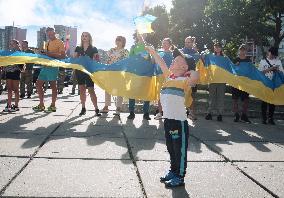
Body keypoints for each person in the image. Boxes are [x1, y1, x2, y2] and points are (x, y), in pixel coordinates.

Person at [146, 45, 199, 188]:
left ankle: (180, 177)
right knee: (171, 148)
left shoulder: (185, 80)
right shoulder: (170, 76)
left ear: (184, 66)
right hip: (168, 121)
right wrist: (153, 52)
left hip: (179, 123)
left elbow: (196, 77)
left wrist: (189, 68)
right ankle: (173, 171)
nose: (172, 62)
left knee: (179, 150)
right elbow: (161, 63)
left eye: (176, 60)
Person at [33, 27, 66, 112]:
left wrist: (48, 53)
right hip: (45, 66)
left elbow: (62, 56)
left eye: (51, 34)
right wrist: (42, 53)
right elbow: (46, 54)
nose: (50, 35)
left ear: (54, 33)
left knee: (53, 86)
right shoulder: (47, 43)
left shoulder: (60, 42)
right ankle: (41, 104)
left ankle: (53, 105)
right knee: (38, 84)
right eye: (48, 34)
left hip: (53, 66)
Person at [74, 32, 101, 116]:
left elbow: (97, 60)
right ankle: (83, 108)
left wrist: (95, 58)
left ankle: (96, 108)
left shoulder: (93, 48)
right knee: (81, 90)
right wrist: (78, 58)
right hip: (80, 71)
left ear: (89, 38)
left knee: (91, 90)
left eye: (86, 36)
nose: (84, 37)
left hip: (89, 71)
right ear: (81, 38)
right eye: (83, 36)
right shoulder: (78, 48)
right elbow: (74, 59)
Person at [101, 36, 129, 116]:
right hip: (110, 71)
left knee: (119, 89)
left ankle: (118, 107)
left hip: (120, 73)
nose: (118, 42)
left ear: (123, 42)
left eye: (120, 40)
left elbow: (126, 62)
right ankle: (106, 106)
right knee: (108, 88)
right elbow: (107, 60)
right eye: (117, 40)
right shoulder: (111, 50)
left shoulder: (125, 51)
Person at [127, 33, 151, 120]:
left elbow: (152, 60)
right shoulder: (133, 47)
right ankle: (131, 112)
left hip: (146, 73)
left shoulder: (149, 46)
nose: (141, 36)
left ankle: (146, 113)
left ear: (146, 35)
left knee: (146, 93)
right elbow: (130, 60)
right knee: (132, 92)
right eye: (140, 34)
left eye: (144, 34)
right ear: (137, 35)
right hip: (135, 73)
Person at [259, 47, 284, 125]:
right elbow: (260, 73)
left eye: (274, 55)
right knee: (264, 101)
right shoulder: (263, 61)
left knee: (272, 102)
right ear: (268, 52)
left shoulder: (278, 61)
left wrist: (277, 70)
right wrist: (271, 69)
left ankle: (270, 118)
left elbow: (282, 73)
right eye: (272, 54)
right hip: (265, 83)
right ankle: (264, 118)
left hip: (274, 84)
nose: (273, 56)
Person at [205, 42, 226, 121]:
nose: (217, 48)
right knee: (211, 97)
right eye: (216, 47)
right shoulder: (210, 57)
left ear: (221, 48)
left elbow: (229, 68)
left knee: (221, 97)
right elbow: (206, 66)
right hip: (212, 80)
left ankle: (220, 114)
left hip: (222, 81)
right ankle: (209, 113)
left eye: (218, 47)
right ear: (214, 48)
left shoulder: (225, 58)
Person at [154, 38, 174, 120]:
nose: (164, 45)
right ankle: (160, 112)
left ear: (170, 45)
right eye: (163, 43)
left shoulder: (173, 54)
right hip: (160, 76)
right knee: (160, 95)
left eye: (166, 43)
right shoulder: (159, 53)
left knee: (169, 94)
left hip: (170, 76)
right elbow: (154, 62)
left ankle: (169, 113)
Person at [232, 44, 251, 123]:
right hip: (236, 83)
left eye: (244, 50)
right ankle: (236, 115)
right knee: (235, 99)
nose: (242, 51)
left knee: (246, 100)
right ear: (239, 50)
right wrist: (235, 66)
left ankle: (244, 115)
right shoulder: (235, 60)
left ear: (246, 51)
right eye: (241, 49)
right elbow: (231, 70)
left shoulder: (248, 60)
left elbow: (251, 71)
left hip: (246, 83)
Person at [3, 39, 23, 112]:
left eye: (13, 44)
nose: (11, 45)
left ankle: (16, 105)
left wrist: (17, 47)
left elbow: (21, 62)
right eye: (10, 44)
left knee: (16, 89)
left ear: (17, 44)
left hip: (15, 71)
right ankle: (8, 104)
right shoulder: (8, 52)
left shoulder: (19, 52)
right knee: (9, 89)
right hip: (8, 72)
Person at [182, 36, 198, 120]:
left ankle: (191, 113)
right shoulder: (181, 51)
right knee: (181, 95)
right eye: (186, 42)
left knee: (191, 95)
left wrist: (197, 52)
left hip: (192, 77)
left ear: (192, 43)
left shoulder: (196, 53)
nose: (187, 44)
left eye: (189, 42)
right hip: (182, 77)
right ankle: (182, 113)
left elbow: (200, 63)